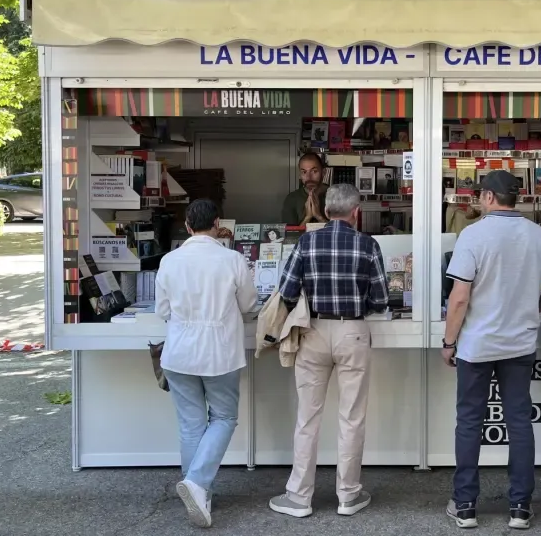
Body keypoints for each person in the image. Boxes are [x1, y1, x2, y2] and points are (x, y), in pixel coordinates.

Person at [441, 170, 541, 530]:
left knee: (469, 422)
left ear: (489, 197)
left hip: (477, 344)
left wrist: (449, 342)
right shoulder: (536, 235)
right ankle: (520, 507)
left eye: (481, 195)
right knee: (519, 422)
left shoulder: (473, 234)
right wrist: (533, 306)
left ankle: (465, 505)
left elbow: (460, 297)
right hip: (519, 343)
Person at [269, 183, 390, 519]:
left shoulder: (307, 242)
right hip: (353, 332)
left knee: (308, 416)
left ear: (325, 211)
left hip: (314, 332)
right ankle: (348, 495)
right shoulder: (368, 245)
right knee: (351, 417)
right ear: (356, 213)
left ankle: (299, 497)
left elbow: (287, 291)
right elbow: (380, 300)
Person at [154, 199, 259, 528]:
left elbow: (163, 311)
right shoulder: (232, 259)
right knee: (225, 417)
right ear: (217, 224)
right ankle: (198, 484)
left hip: (179, 353)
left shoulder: (169, 261)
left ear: (187, 226)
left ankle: (198, 490)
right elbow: (249, 305)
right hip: (219, 353)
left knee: (191, 426)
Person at [281, 152, 328, 226]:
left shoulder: (336, 197)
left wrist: (319, 217)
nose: (309, 177)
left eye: (314, 171)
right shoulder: (292, 199)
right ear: (300, 175)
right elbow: (290, 236)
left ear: (324, 172)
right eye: (304, 172)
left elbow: (340, 234)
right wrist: (307, 217)